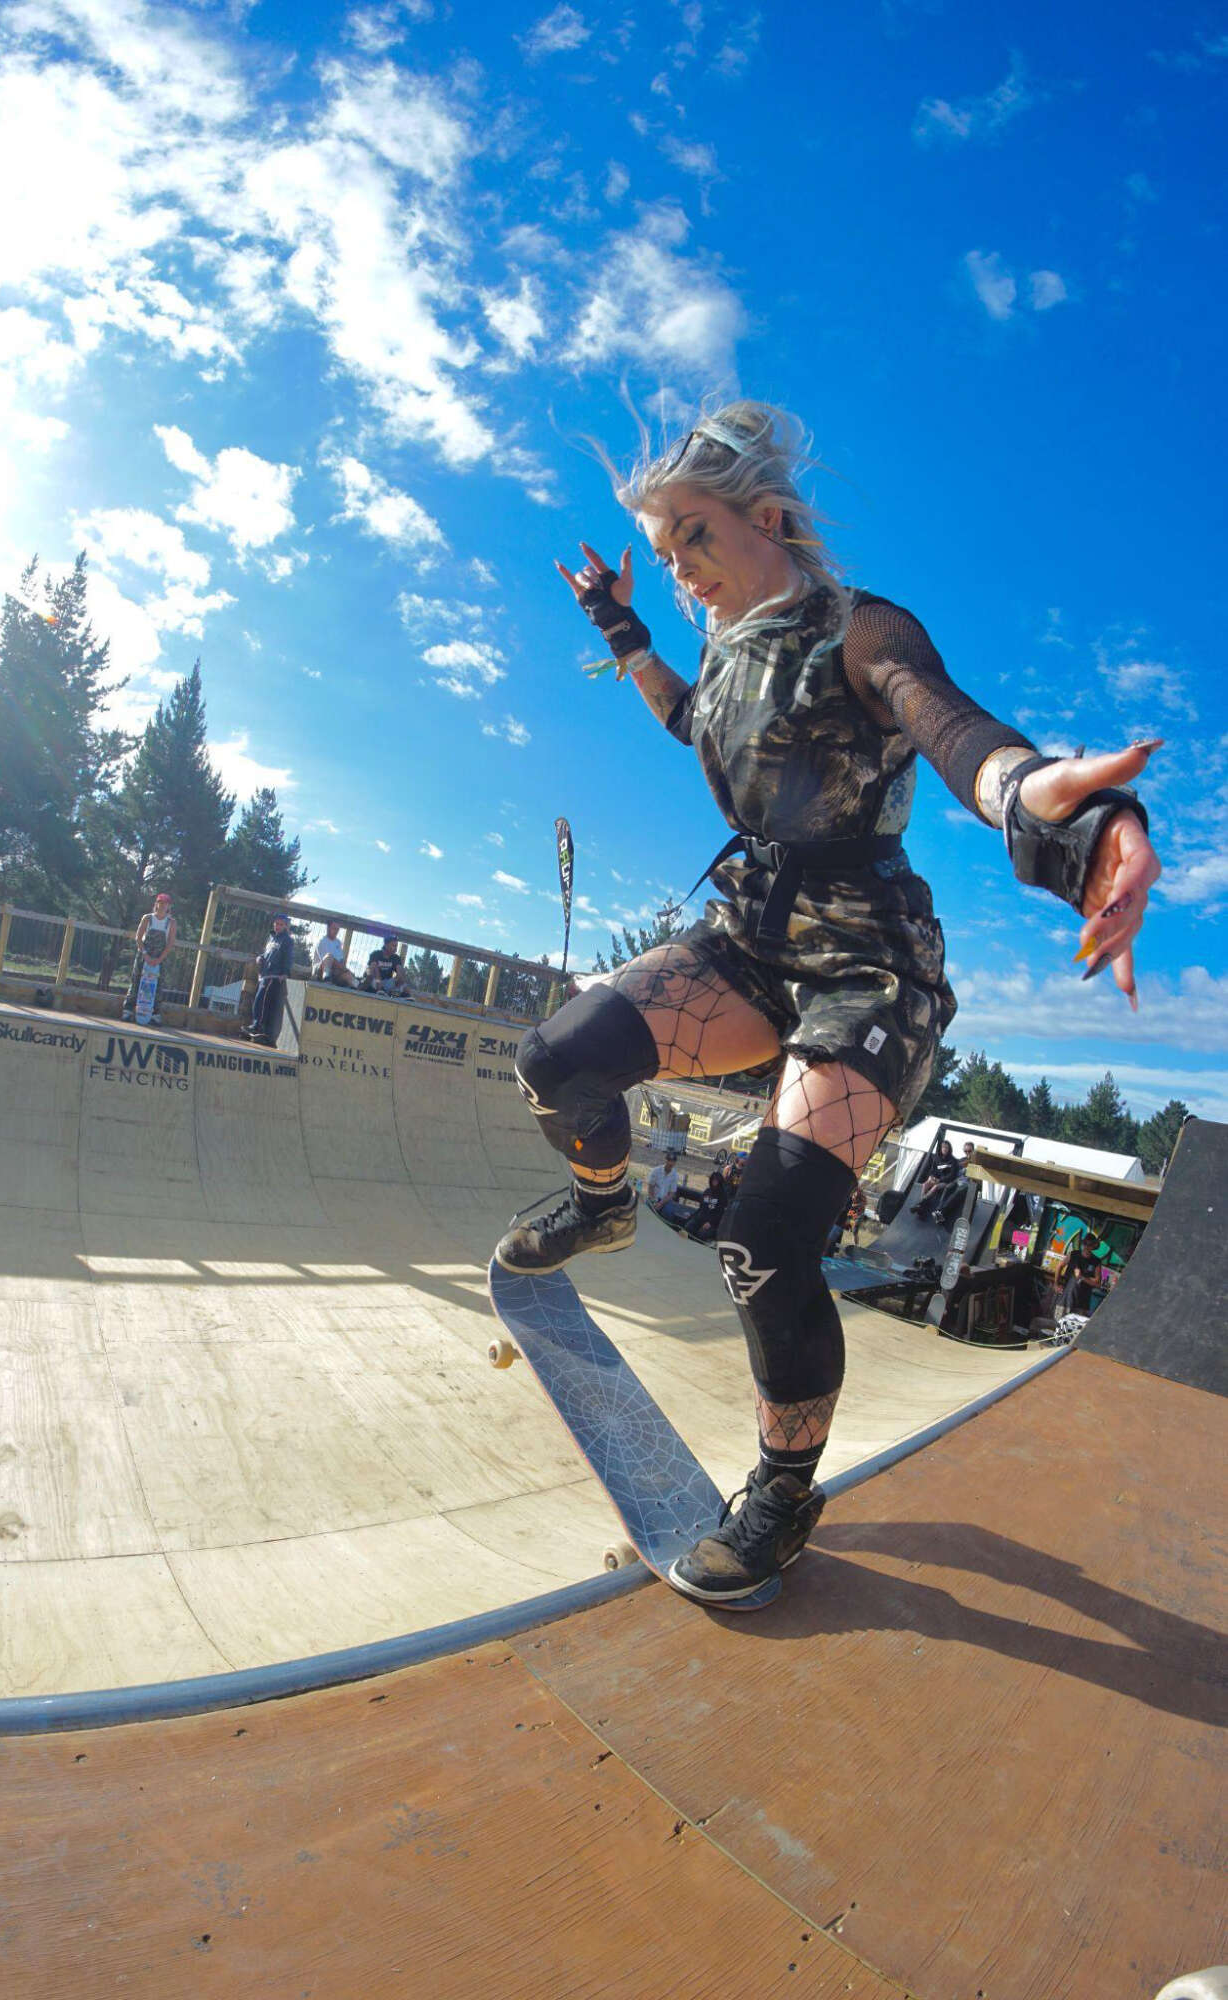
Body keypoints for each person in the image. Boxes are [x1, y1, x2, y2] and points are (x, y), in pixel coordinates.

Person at [493, 399, 1161, 1606]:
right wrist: (616, 619)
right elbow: (690, 714)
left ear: (765, 520)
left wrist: (1046, 808)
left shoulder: (859, 629)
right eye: (667, 553)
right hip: (753, 931)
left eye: (692, 539)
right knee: (558, 1059)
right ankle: (600, 1208)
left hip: (869, 964)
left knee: (765, 1234)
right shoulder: (731, 655)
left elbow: (948, 727)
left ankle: (784, 1490)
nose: (682, 570)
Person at [121, 892, 176, 1024]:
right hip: (143, 956)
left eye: (165, 903)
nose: (162, 906)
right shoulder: (147, 918)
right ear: (156, 904)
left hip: (160, 958)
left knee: (158, 985)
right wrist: (145, 954)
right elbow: (138, 938)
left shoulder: (171, 923)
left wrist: (159, 959)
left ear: (169, 906)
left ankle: (155, 1014)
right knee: (136, 981)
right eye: (160, 902)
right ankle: (128, 1010)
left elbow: (170, 944)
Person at [245, 913, 294, 1046]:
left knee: (261, 999)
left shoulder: (287, 940)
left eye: (281, 924)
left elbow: (288, 958)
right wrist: (260, 957)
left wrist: (285, 972)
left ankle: (257, 1025)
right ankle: (261, 1030)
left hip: (275, 975)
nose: (278, 926)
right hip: (265, 974)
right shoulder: (271, 938)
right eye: (276, 923)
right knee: (262, 1002)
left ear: (286, 926)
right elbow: (267, 953)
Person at [1058, 1230, 1103, 1317]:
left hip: (1082, 1301)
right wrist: (1056, 1284)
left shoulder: (1096, 1261)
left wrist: (1081, 1277)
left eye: (1089, 1245)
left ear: (1093, 1246)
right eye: (1085, 1244)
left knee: (1074, 1325)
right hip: (1066, 1297)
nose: (1087, 1247)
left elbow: (1098, 1283)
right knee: (1059, 1322)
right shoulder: (1073, 1255)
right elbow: (1059, 1266)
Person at [910, 1138, 958, 1218]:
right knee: (925, 1184)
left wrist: (940, 1180)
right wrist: (931, 1177)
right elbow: (933, 1170)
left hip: (945, 1181)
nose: (944, 1149)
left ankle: (920, 1204)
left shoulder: (953, 1161)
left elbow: (951, 1175)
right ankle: (921, 1205)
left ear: (949, 1149)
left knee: (935, 1187)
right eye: (943, 1147)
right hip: (936, 1179)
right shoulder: (937, 1158)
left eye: (946, 1147)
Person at [686, 1168, 729, 1243]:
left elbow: (721, 1214)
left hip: (712, 1223)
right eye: (713, 1180)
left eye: (716, 1180)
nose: (714, 1182)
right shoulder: (707, 1191)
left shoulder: (723, 1195)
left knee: (702, 1234)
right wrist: (691, 1216)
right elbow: (701, 1208)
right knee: (688, 1226)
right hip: (701, 1218)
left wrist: (711, 1223)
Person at [314, 919, 358, 987]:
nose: (336, 931)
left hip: (335, 972)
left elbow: (341, 960)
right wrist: (345, 969)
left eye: (337, 929)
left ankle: (358, 987)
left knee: (348, 976)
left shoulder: (338, 943)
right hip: (320, 971)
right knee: (329, 956)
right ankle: (326, 979)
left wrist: (345, 971)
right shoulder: (322, 942)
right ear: (328, 928)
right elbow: (329, 961)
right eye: (334, 928)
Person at [645, 1149, 682, 1214]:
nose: (671, 1163)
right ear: (665, 1160)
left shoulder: (675, 1175)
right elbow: (650, 1187)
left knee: (668, 1212)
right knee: (646, 1207)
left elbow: (671, 1193)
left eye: (673, 1161)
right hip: (653, 1197)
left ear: (675, 1163)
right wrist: (653, 1201)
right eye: (669, 1160)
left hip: (665, 1200)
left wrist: (661, 1203)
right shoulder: (656, 1171)